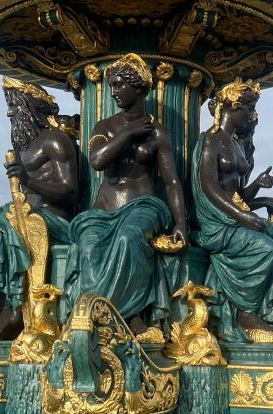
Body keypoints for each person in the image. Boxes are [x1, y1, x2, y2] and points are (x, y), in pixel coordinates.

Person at [64, 53, 188, 342]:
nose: (114, 92)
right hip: (104, 209)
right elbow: (97, 160)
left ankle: (130, 315)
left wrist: (180, 222)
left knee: (130, 238)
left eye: (120, 85)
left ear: (138, 87)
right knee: (89, 243)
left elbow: (171, 182)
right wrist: (129, 132)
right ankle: (96, 313)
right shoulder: (104, 128)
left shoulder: (158, 133)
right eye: (111, 86)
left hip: (143, 205)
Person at [191, 78, 273, 343]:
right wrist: (242, 216)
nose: (251, 114)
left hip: (236, 219)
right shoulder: (210, 141)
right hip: (217, 225)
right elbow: (208, 186)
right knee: (266, 250)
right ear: (232, 107)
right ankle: (245, 313)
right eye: (248, 108)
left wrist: (258, 187)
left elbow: (237, 195)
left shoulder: (235, 144)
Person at [0, 78, 78, 340]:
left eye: (15, 105)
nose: (10, 112)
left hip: (53, 219)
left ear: (32, 108)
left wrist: (27, 179)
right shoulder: (26, 147)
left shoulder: (55, 141)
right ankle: (0, 313)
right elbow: (25, 198)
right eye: (9, 105)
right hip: (27, 212)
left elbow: (69, 192)